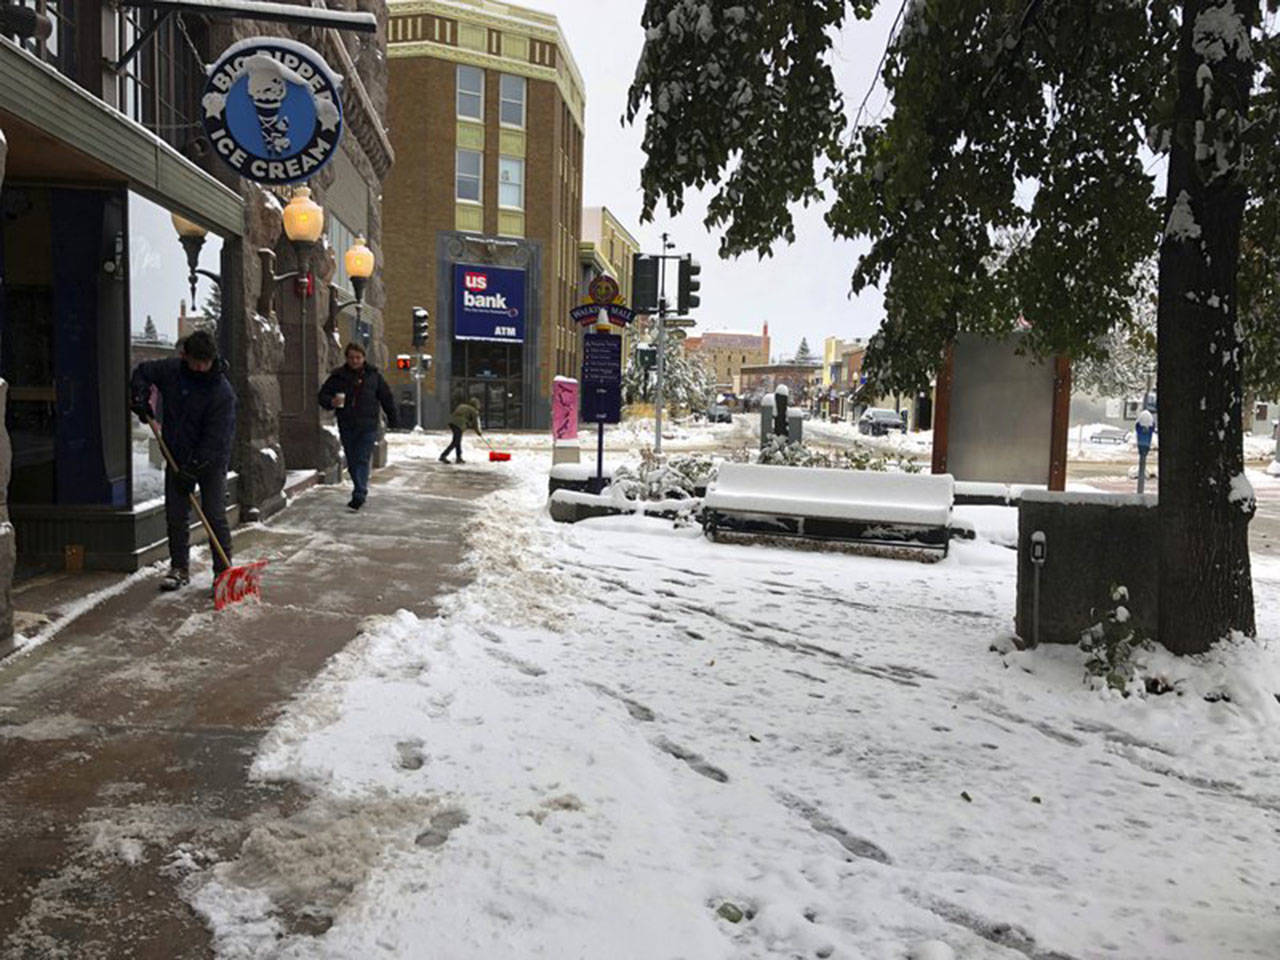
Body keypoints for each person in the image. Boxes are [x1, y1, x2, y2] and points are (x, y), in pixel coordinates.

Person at [130, 330, 236, 592]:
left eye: (206, 362)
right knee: (176, 514)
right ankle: (179, 568)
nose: (201, 368)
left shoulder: (222, 392)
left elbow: (216, 439)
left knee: (213, 514)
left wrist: (193, 468)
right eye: (195, 362)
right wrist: (140, 398)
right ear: (184, 356)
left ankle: (222, 572)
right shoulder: (172, 371)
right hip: (176, 453)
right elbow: (142, 372)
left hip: (211, 460)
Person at [318, 342, 396, 510]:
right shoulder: (338, 376)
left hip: (368, 425)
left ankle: (359, 492)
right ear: (346, 358)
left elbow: (386, 397)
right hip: (347, 424)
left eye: (358, 357)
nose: (355, 361)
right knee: (352, 459)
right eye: (351, 357)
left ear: (363, 358)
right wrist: (331, 401)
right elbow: (322, 395)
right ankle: (359, 487)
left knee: (361, 458)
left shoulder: (374, 376)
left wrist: (394, 418)